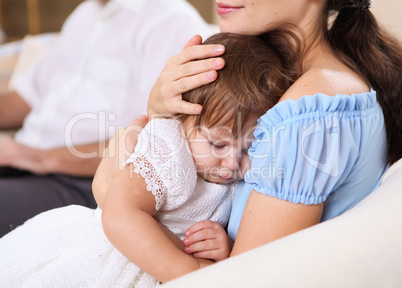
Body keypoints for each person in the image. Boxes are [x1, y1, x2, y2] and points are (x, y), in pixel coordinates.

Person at [101, 0, 402, 259]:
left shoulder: (312, 109)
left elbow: (247, 279)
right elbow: (122, 200)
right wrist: (160, 117)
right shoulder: (273, 87)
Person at [0, 32, 298, 286]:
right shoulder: (170, 150)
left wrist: (222, 247)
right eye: (218, 144)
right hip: (111, 256)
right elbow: (120, 214)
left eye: (248, 148)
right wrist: (192, 272)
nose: (233, 163)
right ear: (182, 120)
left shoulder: (237, 178)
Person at [0, 0, 213, 237]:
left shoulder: (172, 23)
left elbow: (158, 143)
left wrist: (39, 158)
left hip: (82, 181)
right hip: (21, 162)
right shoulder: (85, 14)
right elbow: (26, 96)